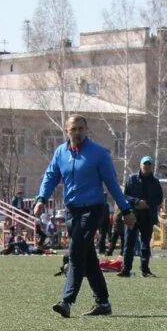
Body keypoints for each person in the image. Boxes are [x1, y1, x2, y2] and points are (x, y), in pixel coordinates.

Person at [34, 114, 136, 317]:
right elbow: (50, 176)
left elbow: (112, 184)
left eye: (81, 129)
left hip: (94, 210)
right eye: (73, 129)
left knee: (75, 251)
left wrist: (126, 210)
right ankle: (103, 303)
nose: (78, 133)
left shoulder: (99, 154)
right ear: (66, 131)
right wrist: (41, 199)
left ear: (86, 130)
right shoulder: (61, 153)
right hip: (72, 211)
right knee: (88, 258)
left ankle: (67, 301)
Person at [119, 155, 164, 277]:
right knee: (129, 243)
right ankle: (126, 269)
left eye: (149, 165)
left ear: (152, 167)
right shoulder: (131, 179)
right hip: (132, 216)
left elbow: (159, 198)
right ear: (141, 165)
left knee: (145, 244)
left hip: (148, 216)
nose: (147, 167)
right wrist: (137, 202)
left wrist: (147, 204)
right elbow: (125, 196)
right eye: (145, 164)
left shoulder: (155, 182)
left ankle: (145, 269)